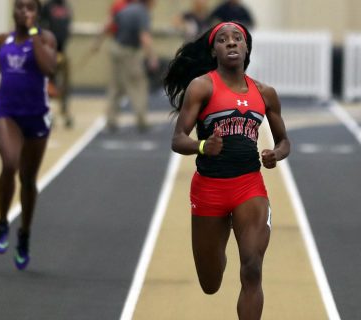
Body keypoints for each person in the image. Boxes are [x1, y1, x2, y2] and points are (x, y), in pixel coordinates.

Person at [164, 22, 290, 318]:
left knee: (252, 269)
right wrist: (202, 146)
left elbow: (284, 141)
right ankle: (219, 240)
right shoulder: (202, 87)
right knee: (210, 283)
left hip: (249, 187)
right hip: (209, 189)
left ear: (246, 48)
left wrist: (276, 154)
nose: (231, 43)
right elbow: (178, 139)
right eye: (223, 40)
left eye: (237, 39)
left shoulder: (265, 93)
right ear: (214, 50)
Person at [0, 0, 57, 269]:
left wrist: (33, 33)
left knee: (28, 179)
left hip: (36, 115)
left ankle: (23, 233)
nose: (25, 11)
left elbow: (49, 68)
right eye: (20, 7)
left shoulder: (45, 38)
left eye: (31, 8)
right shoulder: (4, 38)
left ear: (37, 13)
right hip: (7, 112)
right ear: (13, 11)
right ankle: (3, 223)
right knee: (10, 163)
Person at [105, 0, 159, 132]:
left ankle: (111, 120)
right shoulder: (142, 12)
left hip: (117, 49)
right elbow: (144, 37)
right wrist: (152, 57)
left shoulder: (125, 8)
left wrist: (96, 43)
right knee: (138, 85)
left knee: (116, 86)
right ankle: (142, 121)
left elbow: (108, 25)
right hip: (130, 53)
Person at [41, 0, 73, 128]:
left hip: (62, 52)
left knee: (64, 84)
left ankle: (65, 111)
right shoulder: (47, 7)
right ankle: (48, 113)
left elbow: (67, 28)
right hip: (49, 52)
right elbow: (41, 28)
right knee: (49, 84)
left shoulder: (66, 6)